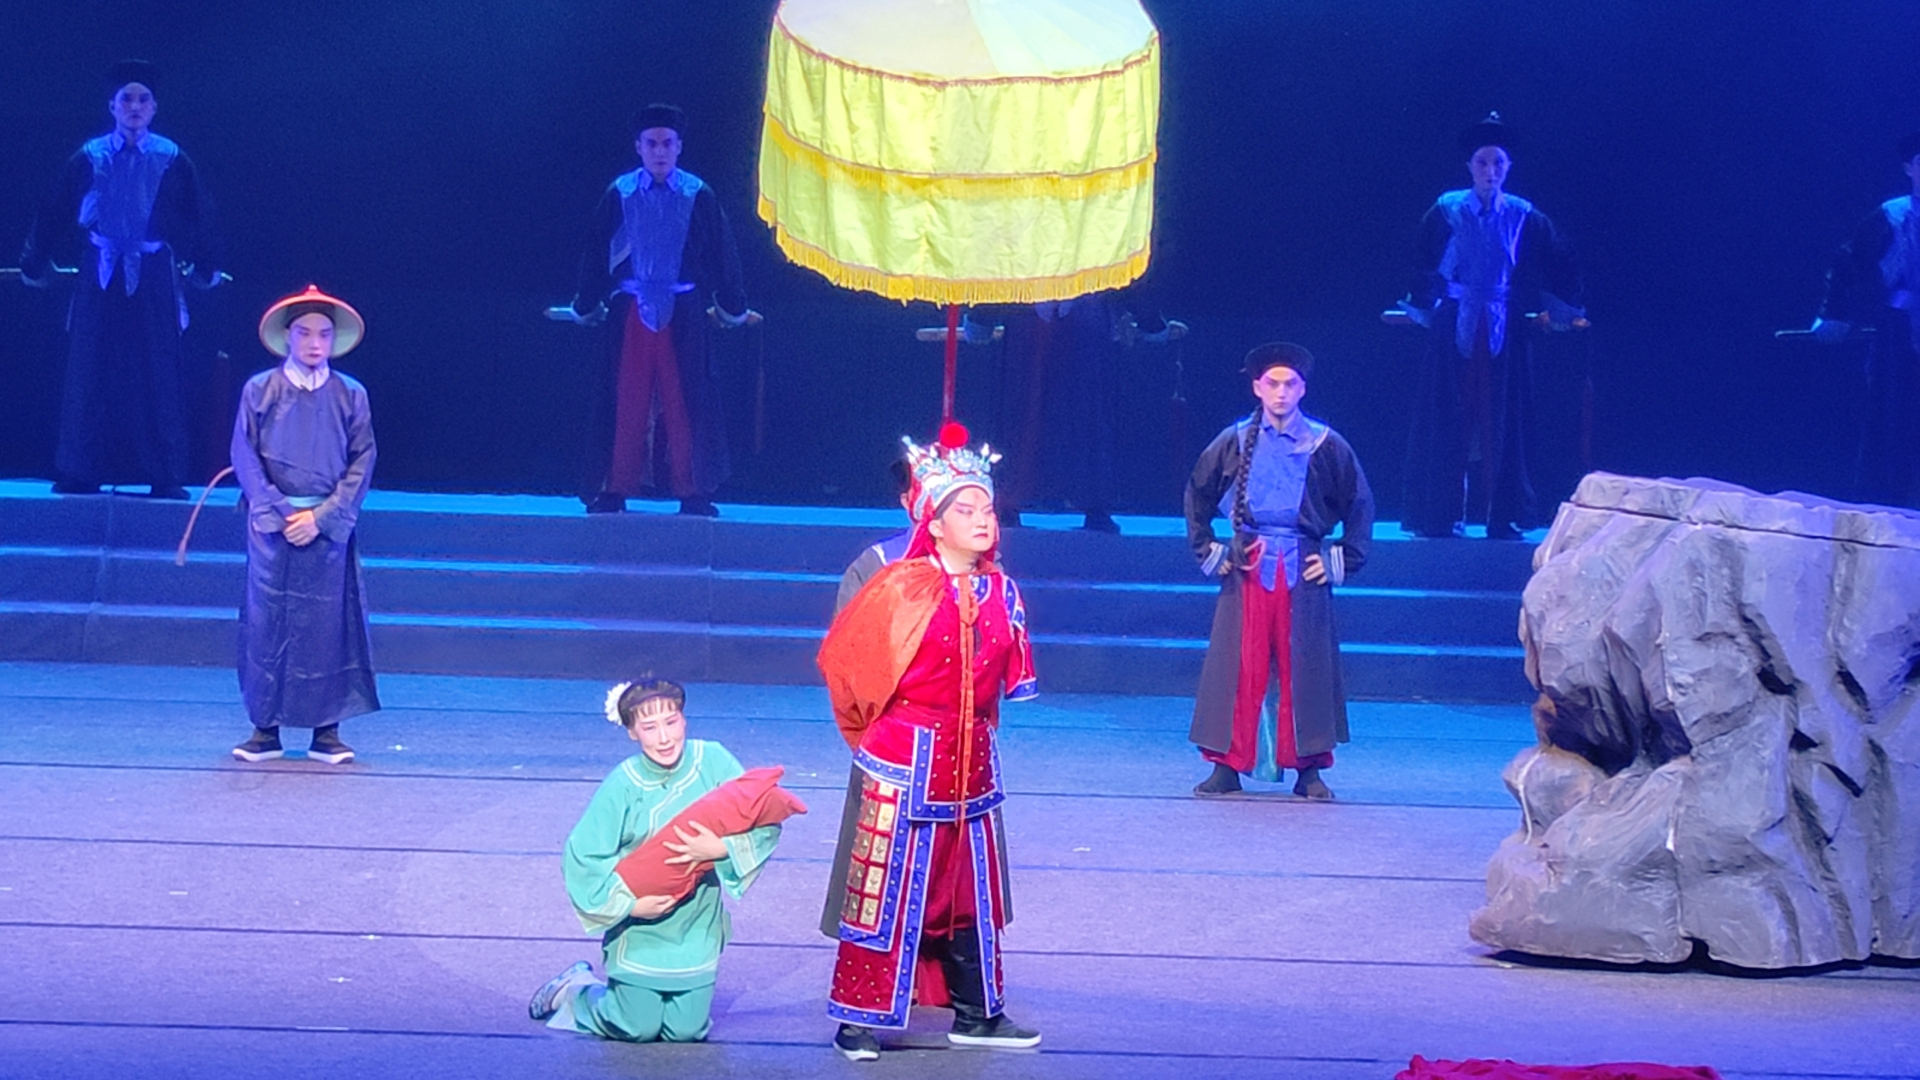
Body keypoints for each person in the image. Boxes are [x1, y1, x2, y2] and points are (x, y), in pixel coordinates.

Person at [817, 426, 1041, 1061]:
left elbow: (1000, 690)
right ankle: (858, 1021)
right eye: (965, 511)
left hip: (972, 768)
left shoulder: (1003, 592)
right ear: (934, 524)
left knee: (972, 895)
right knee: (882, 890)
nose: (983, 520)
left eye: (988, 508)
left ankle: (978, 1014)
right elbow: (848, 668)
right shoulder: (900, 586)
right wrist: (877, 742)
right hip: (903, 761)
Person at [529, 679, 784, 1042]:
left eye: (671, 722)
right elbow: (582, 854)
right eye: (649, 728)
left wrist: (720, 849)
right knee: (636, 1027)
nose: (664, 738)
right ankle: (576, 991)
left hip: (696, 919)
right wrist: (630, 905)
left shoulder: (712, 761)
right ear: (632, 732)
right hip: (640, 925)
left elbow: (761, 816)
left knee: (686, 1032)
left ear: (684, 719)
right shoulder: (624, 783)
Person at [17, 59, 223, 499]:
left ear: (154, 107)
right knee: (90, 366)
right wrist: (35, 261)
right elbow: (53, 207)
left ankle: (164, 472)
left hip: (152, 274)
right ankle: (80, 468)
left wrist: (205, 266)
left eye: (143, 99)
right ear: (112, 106)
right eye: (126, 99)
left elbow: (201, 213)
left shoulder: (171, 157)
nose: (134, 106)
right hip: (101, 269)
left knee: (158, 368)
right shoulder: (90, 156)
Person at [1187, 344, 1374, 800]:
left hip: (1301, 571)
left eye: (1290, 384)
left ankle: (1308, 769)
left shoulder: (1325, 443)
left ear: (1303, 389)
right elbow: (1198, 492)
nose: (1281, 392)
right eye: (1272, 383)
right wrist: (1210, 549)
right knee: (1241, 666)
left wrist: (1340, 559)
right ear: (1257, 388)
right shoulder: (1234, 440)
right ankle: (1228, 765)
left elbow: (1360, 504)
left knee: (1304, 667)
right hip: (1249, 566)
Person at [1394, 112, 1583, 540]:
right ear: (1470, 166)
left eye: (1498, 163)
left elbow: (1561, 258)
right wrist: (1425, 300)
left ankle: (1505, 515)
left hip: (1504, 321)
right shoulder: (1447, 208)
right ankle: (1439, 514)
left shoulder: (1522, 213)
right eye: (1482, 162)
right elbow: (1420, 259)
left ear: (1508, 167)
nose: (1490, 171)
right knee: (1448, 414)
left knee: (1504, 419)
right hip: (1455, 320)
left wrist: (1560, 309)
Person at [567, 103, 749, 517]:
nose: (660, 151)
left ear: (679, 146)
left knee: (686, 401)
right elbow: (595, 253)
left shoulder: (698, 194)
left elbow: (724, 254)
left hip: (683, 311)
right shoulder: (619, 193)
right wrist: (586, 302)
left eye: (667, 143)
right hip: (629, 311)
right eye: (652, 144)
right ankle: (614, 487)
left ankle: (692, 490)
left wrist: (732, 305)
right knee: (625, 399)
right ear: (639, 147)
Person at [229, 286, 378, 765]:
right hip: (272, 528)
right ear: (287, 337)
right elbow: (244, 455)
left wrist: (323, 517)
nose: (315, 343)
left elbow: (362, 460)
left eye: (324, 334)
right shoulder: (260, 390)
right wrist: (276, 511)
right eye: (304, 333)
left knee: (327, 625)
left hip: (326, 527)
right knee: (266, 623)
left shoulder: (351, 395)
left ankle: (326, 730)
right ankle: (264, 729)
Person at [985, 290, 1184, 532]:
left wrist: (1147, 318)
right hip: (1039, 309)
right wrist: (1149, 321)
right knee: (1027, 411)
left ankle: (1092, 505)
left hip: (1073, 313)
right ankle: (1010, 502)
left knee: (1086, 414)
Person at [1805, 132, 1920, 508]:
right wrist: (1834, 315)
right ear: (1909, 168)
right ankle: (1885, 509)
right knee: (1894, 422)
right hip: (1900, 335)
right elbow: (1849, 262)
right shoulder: (1893, 215)